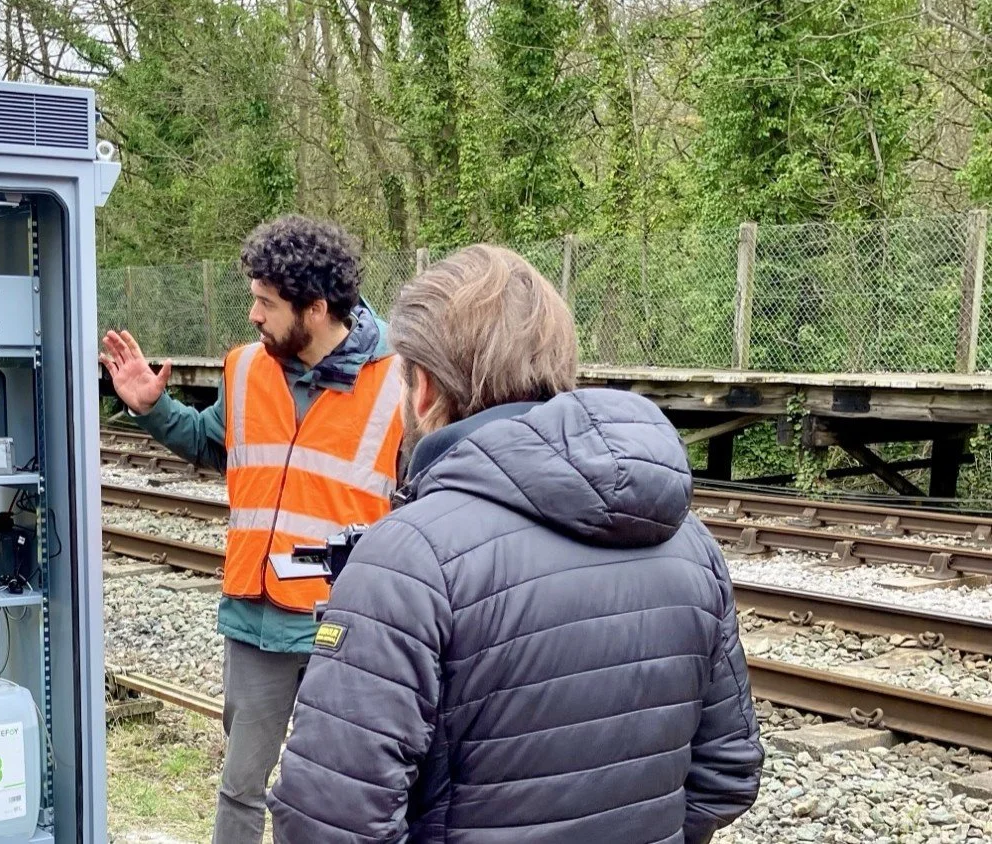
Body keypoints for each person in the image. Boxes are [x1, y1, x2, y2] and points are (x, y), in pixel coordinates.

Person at [266, 244, 764, 844]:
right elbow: (726, 773)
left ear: (422, 388)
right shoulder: (691, 542)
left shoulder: (407, 559)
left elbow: (330, 818)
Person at [99, 214, 403, 844]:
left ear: (315, 309)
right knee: (240, 787)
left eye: (266, 302)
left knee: (342, 788)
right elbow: (215, 445)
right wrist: (154, 410)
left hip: (348, 627)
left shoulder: (399, 385)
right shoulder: (244, 369)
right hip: (258, 620)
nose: (253, 315)